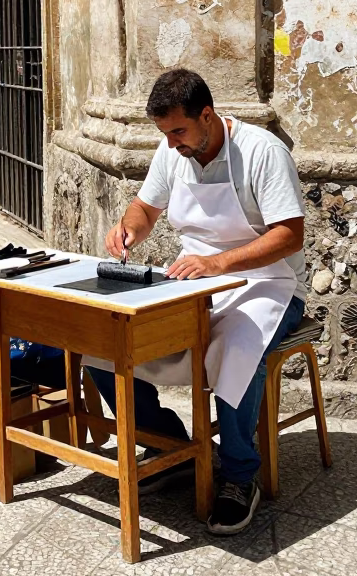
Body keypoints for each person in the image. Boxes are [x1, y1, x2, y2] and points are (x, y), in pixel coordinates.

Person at [86, 69, 306, 536]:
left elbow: (290, 236)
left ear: (207, 115)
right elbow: (144, 208)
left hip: (269, 284)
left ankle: (240, 476)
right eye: (164, 134)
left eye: (178, 131)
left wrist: (220, 264)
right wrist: (130, 228)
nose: (171, 145)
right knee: (103, 343)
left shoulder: (262, 152)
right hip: (193, 279)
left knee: (234, 348)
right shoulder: (173, 152)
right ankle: (167, 446)